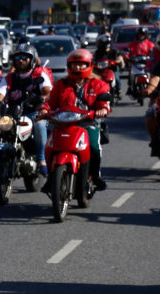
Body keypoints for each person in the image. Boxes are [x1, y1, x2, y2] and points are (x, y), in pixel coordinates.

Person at [38, 48, 111, 190]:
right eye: (74, 64)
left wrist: (102, 109)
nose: (77, 67)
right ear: (69, 66)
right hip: (62, 124)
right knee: (49, 146)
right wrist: (44, 109)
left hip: (87, 123)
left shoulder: (98, 84)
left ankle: (95, 176)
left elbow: (104, 102)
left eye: (81, 64)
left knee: (94, 147)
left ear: (89, 65)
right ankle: (52, 177)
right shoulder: (61, 84)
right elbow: (51, 102)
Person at [0, 42, 52, 176]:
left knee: (40, 124)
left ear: (32, 59)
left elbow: (47, 90)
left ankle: (42, 160)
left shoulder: (39, 73)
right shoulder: (10, 77)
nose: (20, 60)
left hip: (34, 112)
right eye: (17, 57)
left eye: (24, 57)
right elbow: (0, 93)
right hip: (13, 113)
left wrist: (42, 97)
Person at [94, 33, 125, 98]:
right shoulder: (97, 52)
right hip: (100, 71)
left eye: (101, 43)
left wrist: (116, 61)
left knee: (117, 79)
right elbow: (93, 60)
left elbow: (120, 59)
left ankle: (119, 91)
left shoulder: (114, 52)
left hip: (112, 70)